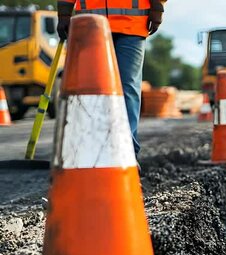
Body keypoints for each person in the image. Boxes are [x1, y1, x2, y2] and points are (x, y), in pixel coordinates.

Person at [56, 0, 165, 156]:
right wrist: (64, 12)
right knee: (92, 89)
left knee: (127, 87)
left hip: (131, 25)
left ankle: (126, 153)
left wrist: (157, 6)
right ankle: (94, 151)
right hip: (91, 25)